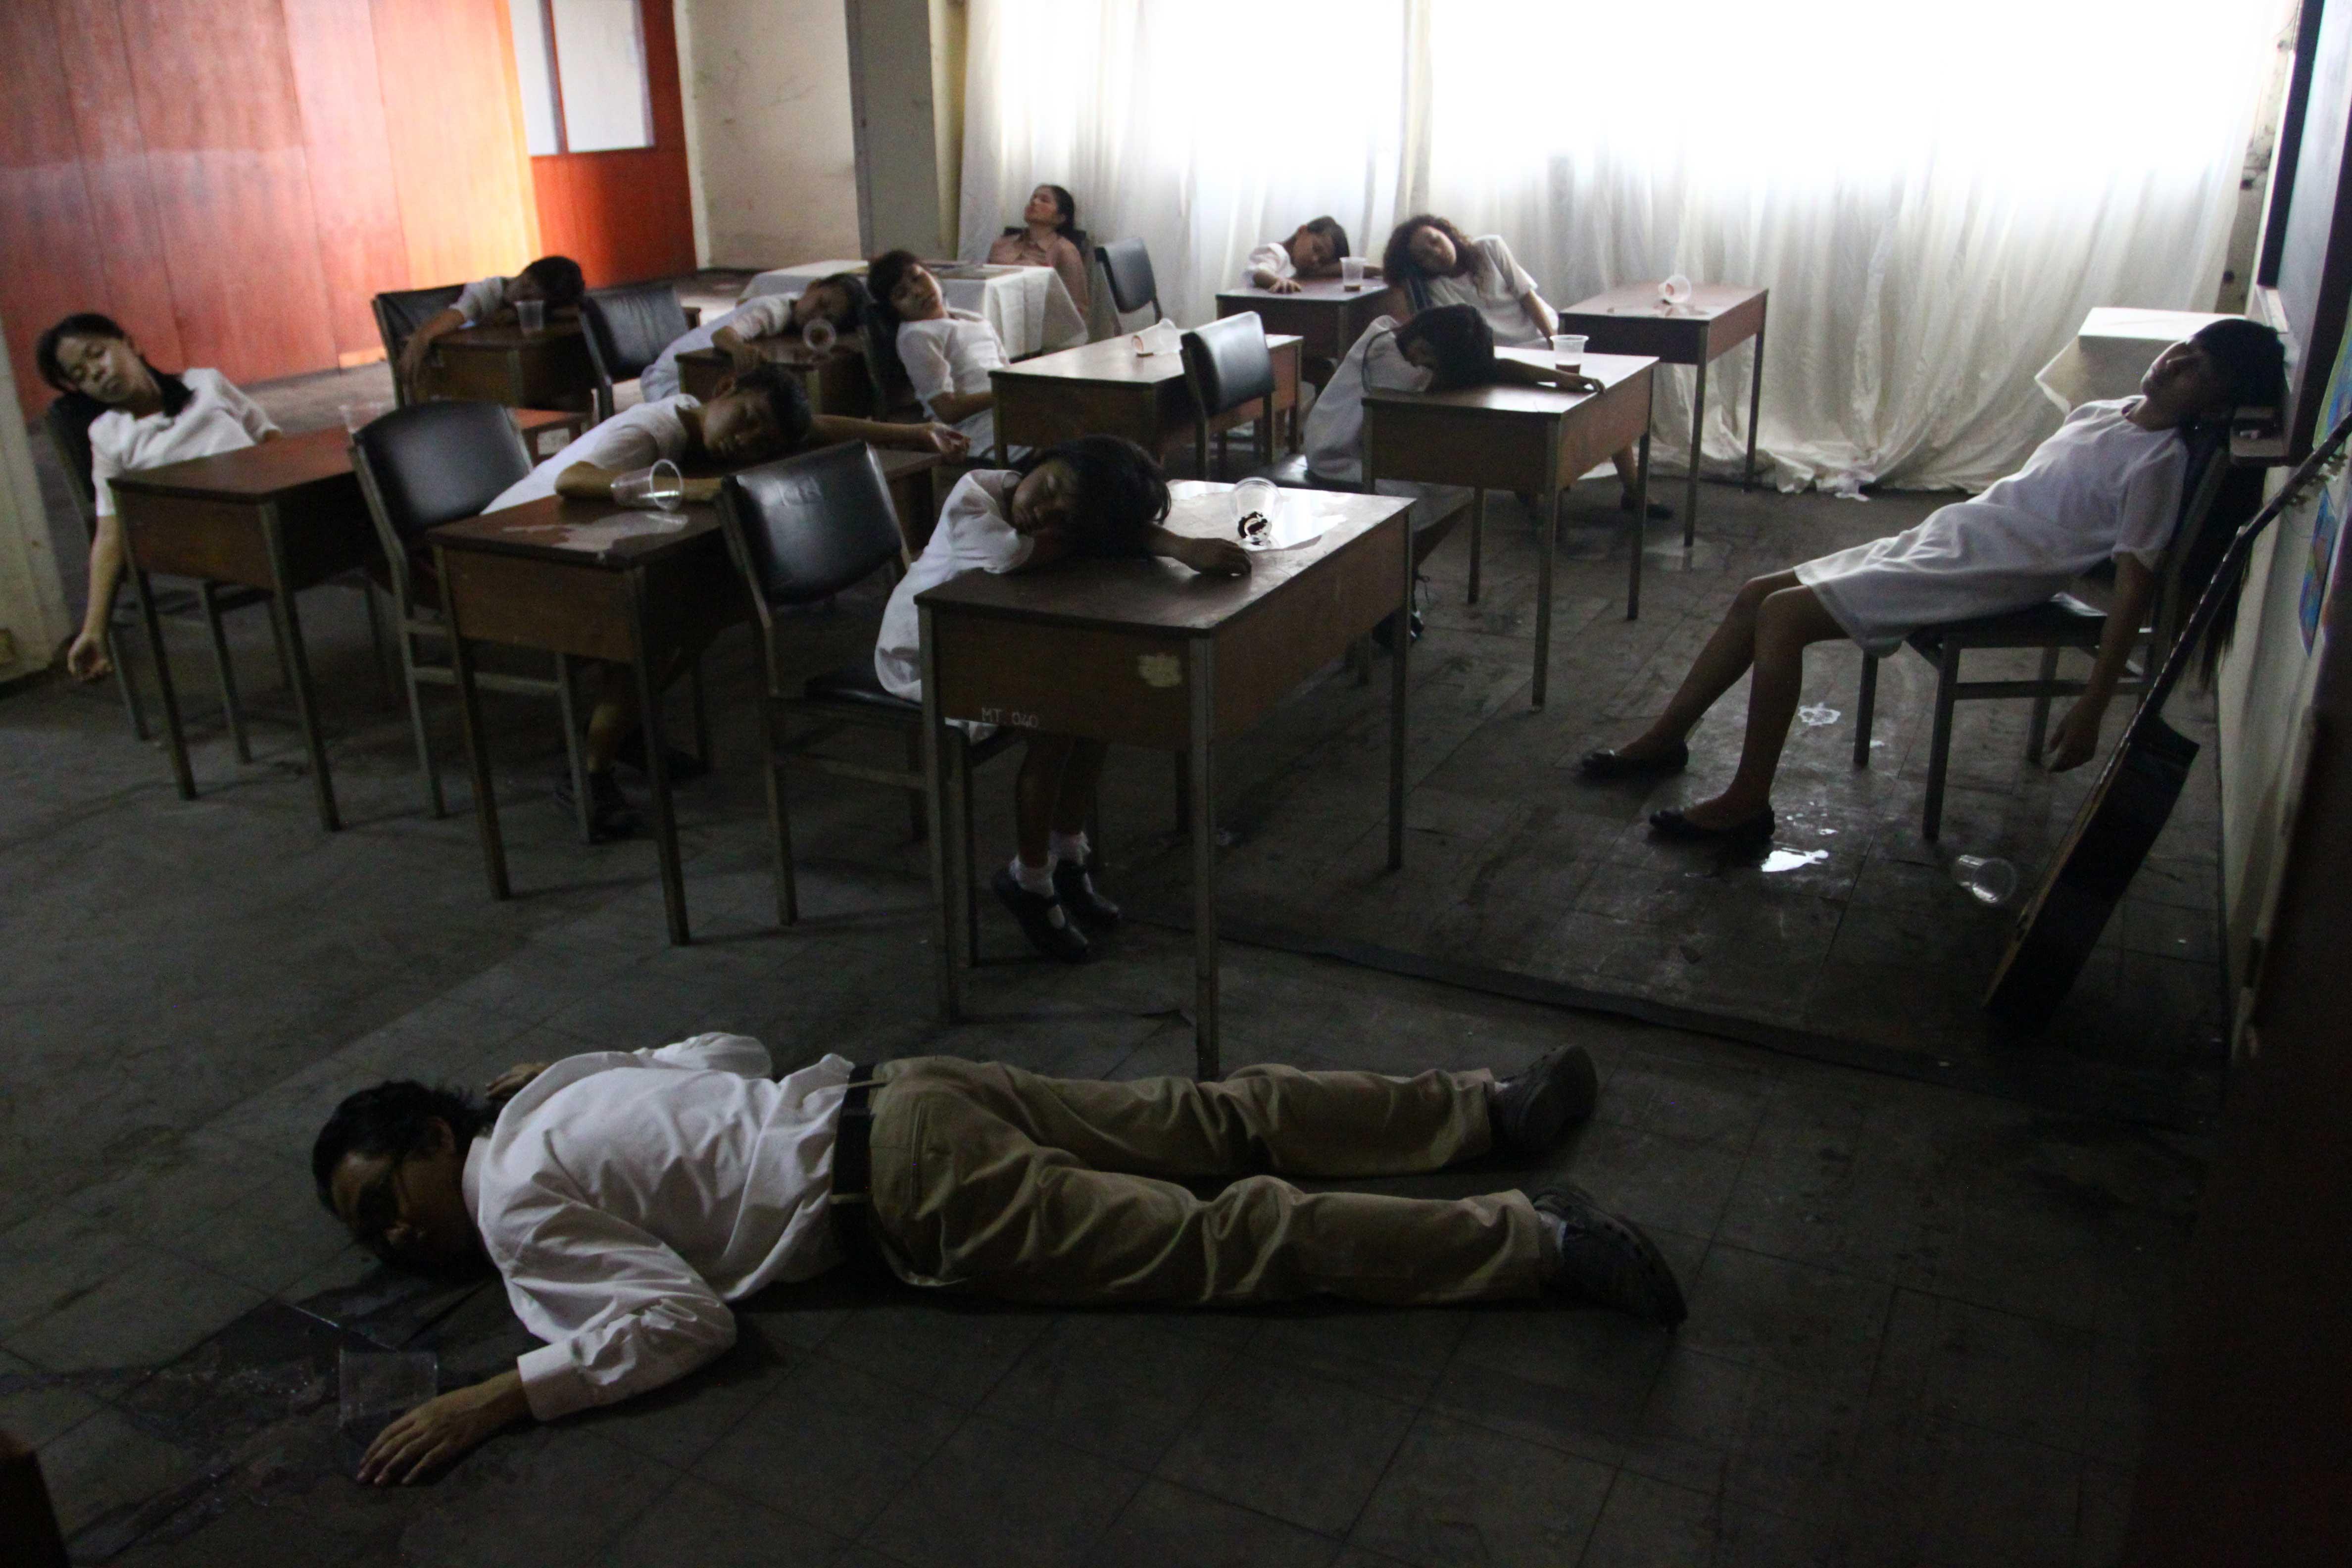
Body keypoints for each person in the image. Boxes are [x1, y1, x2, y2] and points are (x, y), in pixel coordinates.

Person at [314, 1033, 1684, 1485]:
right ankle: (1485, 1108)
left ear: (434, 1137)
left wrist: (503, 1393)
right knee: (1209, 1120)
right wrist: (588, 1062)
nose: (397, 1233)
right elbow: (728, 1055)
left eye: (386, 1197)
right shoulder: (553, 1089)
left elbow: (681, 1322)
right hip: (909, 1091)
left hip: (906, 1191)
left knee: (1223, 1238)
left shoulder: (514, 1218)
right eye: (373, 1232)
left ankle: (1536, 1241)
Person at [1579, 319, 2287, 843]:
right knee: (1756, 594)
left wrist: (2095, 707)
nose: (2174, 364)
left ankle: (1747, 801)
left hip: (1991, 573)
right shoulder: (2100, 412)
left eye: (2197, 370)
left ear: (2215, 402)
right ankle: (1667, 737)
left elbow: (2133, 590)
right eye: (2184, 349)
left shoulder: (2160, 464)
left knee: (1784, 616)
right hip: (1957, 536)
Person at [482, 368, 967, 839]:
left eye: (763, 441)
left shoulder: (703, 418)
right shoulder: (651, 430)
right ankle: (589, 771)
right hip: (511, 554)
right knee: (658, 619)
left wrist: (913, 433)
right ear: (724, 388)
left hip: (576, 542)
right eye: (747, 419)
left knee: (706, 609)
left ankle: (620, 727)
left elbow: (815, 427)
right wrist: (692, 489)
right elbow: (573, 480)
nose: (746, 439)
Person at [875, 436, 1247, 961]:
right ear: (1044, 457)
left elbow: (1094, 537)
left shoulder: (1057, 522)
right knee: (1057, 720)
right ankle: (1028, 879)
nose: (1041, 512)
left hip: (995, 640)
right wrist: (1108, 537)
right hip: (926, 655)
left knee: (1095, 714)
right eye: (1049, 489)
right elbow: (1008, 555)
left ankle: (1067, 855)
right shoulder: (972, 498)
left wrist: (1180, 547)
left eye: (1064, 517)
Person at [35, 312, 280, 683]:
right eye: (80, 375)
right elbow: (110, 531)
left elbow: (272, 441)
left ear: (131, 344)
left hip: (271, 508)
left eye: (97, 354)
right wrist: (93, 631)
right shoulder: (108, 435)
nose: (95, 373)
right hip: (216, 542)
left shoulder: (205, 383)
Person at [1382, 215, 1667, 521]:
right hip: (1502, 361)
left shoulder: (1490, 248)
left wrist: (1554, 344)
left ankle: (1632, 488)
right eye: (1424, 256)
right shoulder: (1430, 290)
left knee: (1604, 395)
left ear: (1445, 232)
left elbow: (1528, 299)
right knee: (1524, 420)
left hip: (1543, 341)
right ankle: (1534, 496)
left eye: (1435, 241)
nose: (1436, 253)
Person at [868, 250, 1015, 459]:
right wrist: (1008, 393)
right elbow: (948, 410)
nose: (917, 291)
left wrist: (1017, 392)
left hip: (1008, 413)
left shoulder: (973, 319)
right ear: (894, 310)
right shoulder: (916, 336)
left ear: (933, 275)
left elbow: (1006, 373)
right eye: (902, 294)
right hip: (977, 434)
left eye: (918, 278)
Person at [636, 275, 869, 403]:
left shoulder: (798, 310)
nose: (816, 316)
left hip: (705, 373)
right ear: (813, 286)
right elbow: (722, 335)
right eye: (821, 303)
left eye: (828, 318)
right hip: (674, 379)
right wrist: (739, 349)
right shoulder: (772, 310)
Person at [393, 255, 588, 393]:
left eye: (531, 298)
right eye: (525, 285)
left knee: (572, 390)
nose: (522, 297)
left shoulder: (536, 307)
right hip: (468, 374)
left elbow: (579, 310)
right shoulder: (487, 291)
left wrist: (530, 313)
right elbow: (457, 315)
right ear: (525, 273)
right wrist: (422, 338)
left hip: (509, 374)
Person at [986, 183, 1090, 313]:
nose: (1035, 202)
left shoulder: (1065, 250)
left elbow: (1077, 306)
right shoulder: (1001, 244)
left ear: (1060, 218)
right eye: (1033, 199)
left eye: (1044, 200)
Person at [1244, 217, 1372, 294]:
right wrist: (1279, 281)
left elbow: (1345, 267)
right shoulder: (1275, 251)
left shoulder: (1303, 268)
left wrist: (1380, 271)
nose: (1315, 260)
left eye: (1322, 262)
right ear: (1302, 231)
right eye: (1316, 249)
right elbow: (1256, 272)